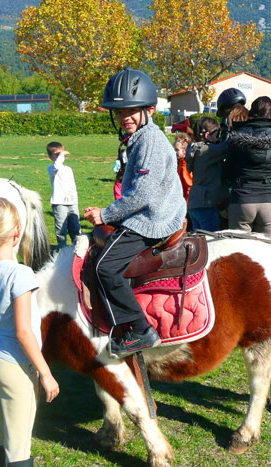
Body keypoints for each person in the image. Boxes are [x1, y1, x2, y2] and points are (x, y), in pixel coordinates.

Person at [84, 67, 186, 358]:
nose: (124, 117)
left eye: (131, 111)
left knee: (104, 267)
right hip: (157, 211)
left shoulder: (150, 142)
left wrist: (106, 214)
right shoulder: (142, 137)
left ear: (148, 110)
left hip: (152, 219)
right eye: (118, 112)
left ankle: (140, 330)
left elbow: (142, 195)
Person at [0, 197, 59, 467]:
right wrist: (46, 373)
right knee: (19, 447)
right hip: (14, 364)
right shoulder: (19, 274)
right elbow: (23, 332)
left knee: (0, 434)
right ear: (17, 231)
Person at [224, 96, 271, 238]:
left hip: (242, 200)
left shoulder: (237, 136)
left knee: (240, 253)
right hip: (269, 201)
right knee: (265, 252)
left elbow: (228, 171)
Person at [186, 116, 228, 231]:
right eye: (216, 135)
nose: (218, 138)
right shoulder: (206, 151)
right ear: (207, 136)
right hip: (205, 205)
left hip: (194, 204)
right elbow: (228, 147)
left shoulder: (194, 148)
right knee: (209, 242)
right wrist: (227, 132)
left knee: (198, 242)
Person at [46, 141, 81, 249]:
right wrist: (60, 156)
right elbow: (57, 166)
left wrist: (75, 201)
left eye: (62, 154)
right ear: (50, 157)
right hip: (59, 203)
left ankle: (77, 249)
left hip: (72, 203)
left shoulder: (68, 169)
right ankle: (62, 250)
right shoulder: (52, 168)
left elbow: (72, 187)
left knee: (75, 228)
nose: (61, 157)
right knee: (61, 229)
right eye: (56, 155)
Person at [173, 132, 193, 202]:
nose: (174, 152)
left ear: (184, 150)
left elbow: (188, 185)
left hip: (187, 199)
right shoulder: (181, 162)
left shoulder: (184, 165)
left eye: (177, 150)